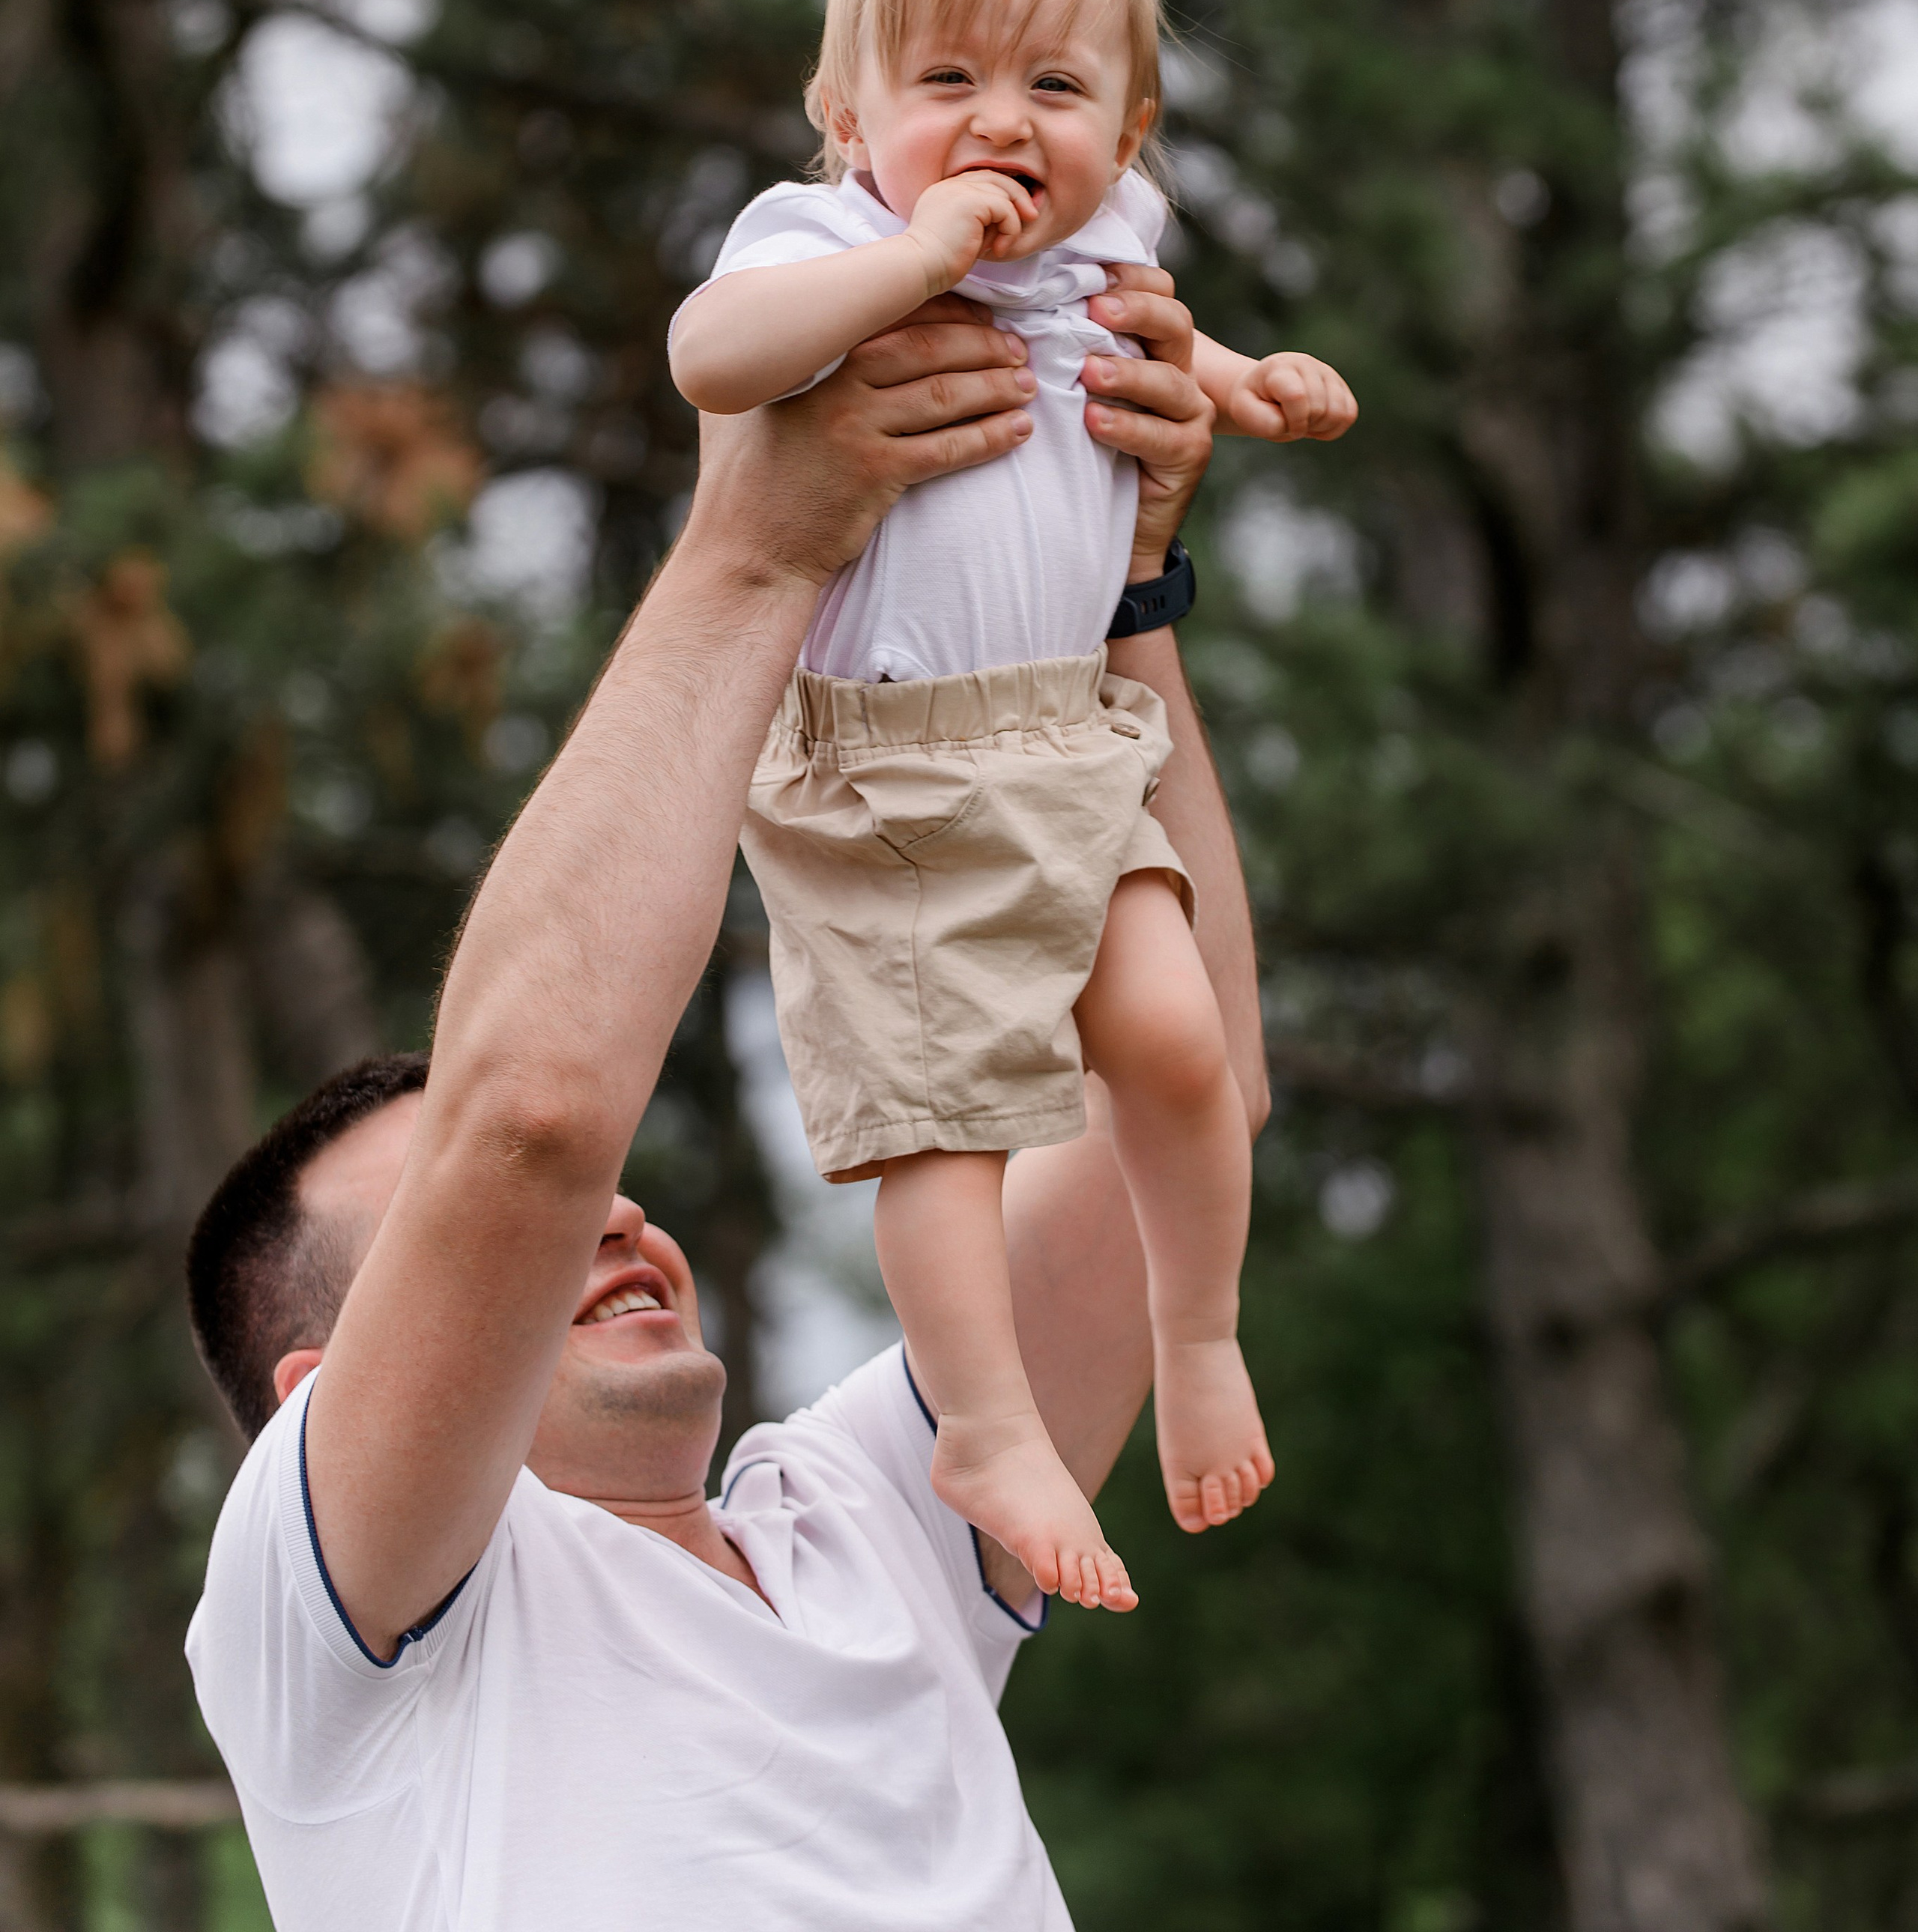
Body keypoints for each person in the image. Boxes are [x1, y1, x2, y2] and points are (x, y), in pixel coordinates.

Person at [184, 282, 1267, 1932]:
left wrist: (1121, 591)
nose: (611, 1207)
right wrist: (757, 546)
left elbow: (1188, 1105)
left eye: (618, 1195)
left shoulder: (870, 1524)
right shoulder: (338, 1620)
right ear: (331, 1398)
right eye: (456, 1238)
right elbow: (533, 1123)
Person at [670, 0, 1355, 1610]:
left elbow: (1157, 349)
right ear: (848, 117)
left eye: (1052, 88)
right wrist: (904, 260)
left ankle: (1194, 1335)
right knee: (943, 1125)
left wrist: (1245, 381)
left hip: (1063, 736)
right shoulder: (823, 237)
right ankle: (983, 1420)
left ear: (1124, 136)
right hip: (887, 769)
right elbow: (711, 355)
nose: (1000, 126)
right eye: (947, 83)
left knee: (1181, 1055)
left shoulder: (1105, 252)